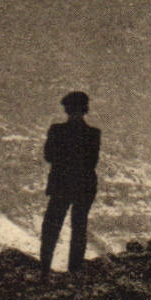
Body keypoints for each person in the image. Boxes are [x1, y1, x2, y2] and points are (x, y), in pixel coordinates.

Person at [39, 90, 100, 280]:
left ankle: (44, 270)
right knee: (78, 227)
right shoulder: (93, 134)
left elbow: (49, 156)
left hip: (61, 184)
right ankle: (75, 270)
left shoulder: (56, 131)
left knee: (51, 226)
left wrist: (64, 159)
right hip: (84, 185)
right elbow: (91, 162)